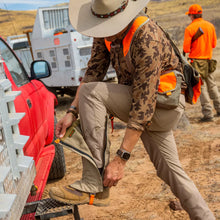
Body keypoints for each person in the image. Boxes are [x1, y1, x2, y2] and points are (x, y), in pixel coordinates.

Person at [49, 0, 215, 219]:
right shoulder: (105, 29)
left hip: (162, 107)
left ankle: (93, 182)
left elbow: (143, 105)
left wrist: (120, 160)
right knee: (172, 173)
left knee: (92, 92)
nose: (103, 33)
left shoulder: (146, 36)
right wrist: (72, 111)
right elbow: (94, 71)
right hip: (145, 106)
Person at [183, 4, 220, 122]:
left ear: (192, 15)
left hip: (196, 62)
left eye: (189, 15)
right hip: (208, 61)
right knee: (213, 86)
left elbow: (186, 49)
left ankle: (208, 114)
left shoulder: (190, 28)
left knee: (202, 88)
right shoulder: (210, 26)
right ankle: (219, 109)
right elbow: (214, 44)